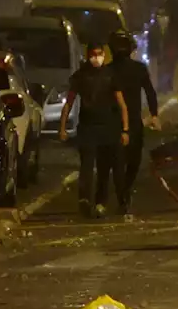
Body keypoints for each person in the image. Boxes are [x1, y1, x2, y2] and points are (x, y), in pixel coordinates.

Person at [59, 45, 130, 219]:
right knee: (87, 167)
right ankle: (84, 200)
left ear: (104, 55)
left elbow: (122, 104)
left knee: (106, 168)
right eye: (93, 55)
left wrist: (125, 129)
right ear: (88, 55)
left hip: (109, 128)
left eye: (99, 54)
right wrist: (62, 128)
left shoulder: (111, 74)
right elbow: (69, 102)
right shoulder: (80, 76)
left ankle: (102, 202)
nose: (96, 58)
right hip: (88, 128)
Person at [108, 32, 159, 215]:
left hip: (122, 121)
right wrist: (154, 114)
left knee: (124, 161)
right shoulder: (135, 69)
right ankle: (123, 195)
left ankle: (124, 194)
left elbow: (150, 92)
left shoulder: (130, 69)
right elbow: (151, 93)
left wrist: (154, 113)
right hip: (123, 122)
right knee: (127, 161)